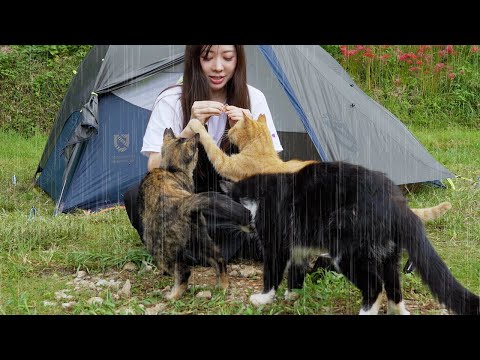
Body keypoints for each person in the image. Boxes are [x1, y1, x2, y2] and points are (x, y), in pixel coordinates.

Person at [124, 45, 283, 263]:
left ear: (238, 60)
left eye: (227, 58)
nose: (218, 67)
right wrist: (189, 131)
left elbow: (273, 172)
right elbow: (154, 167)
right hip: (189, 196)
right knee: (137, 196)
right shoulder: (171, 99)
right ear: (194, 59)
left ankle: (198, 249)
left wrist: (251, 138)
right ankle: (245, 243)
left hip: (232, 195)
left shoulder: (253, 98)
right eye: (207, 58)